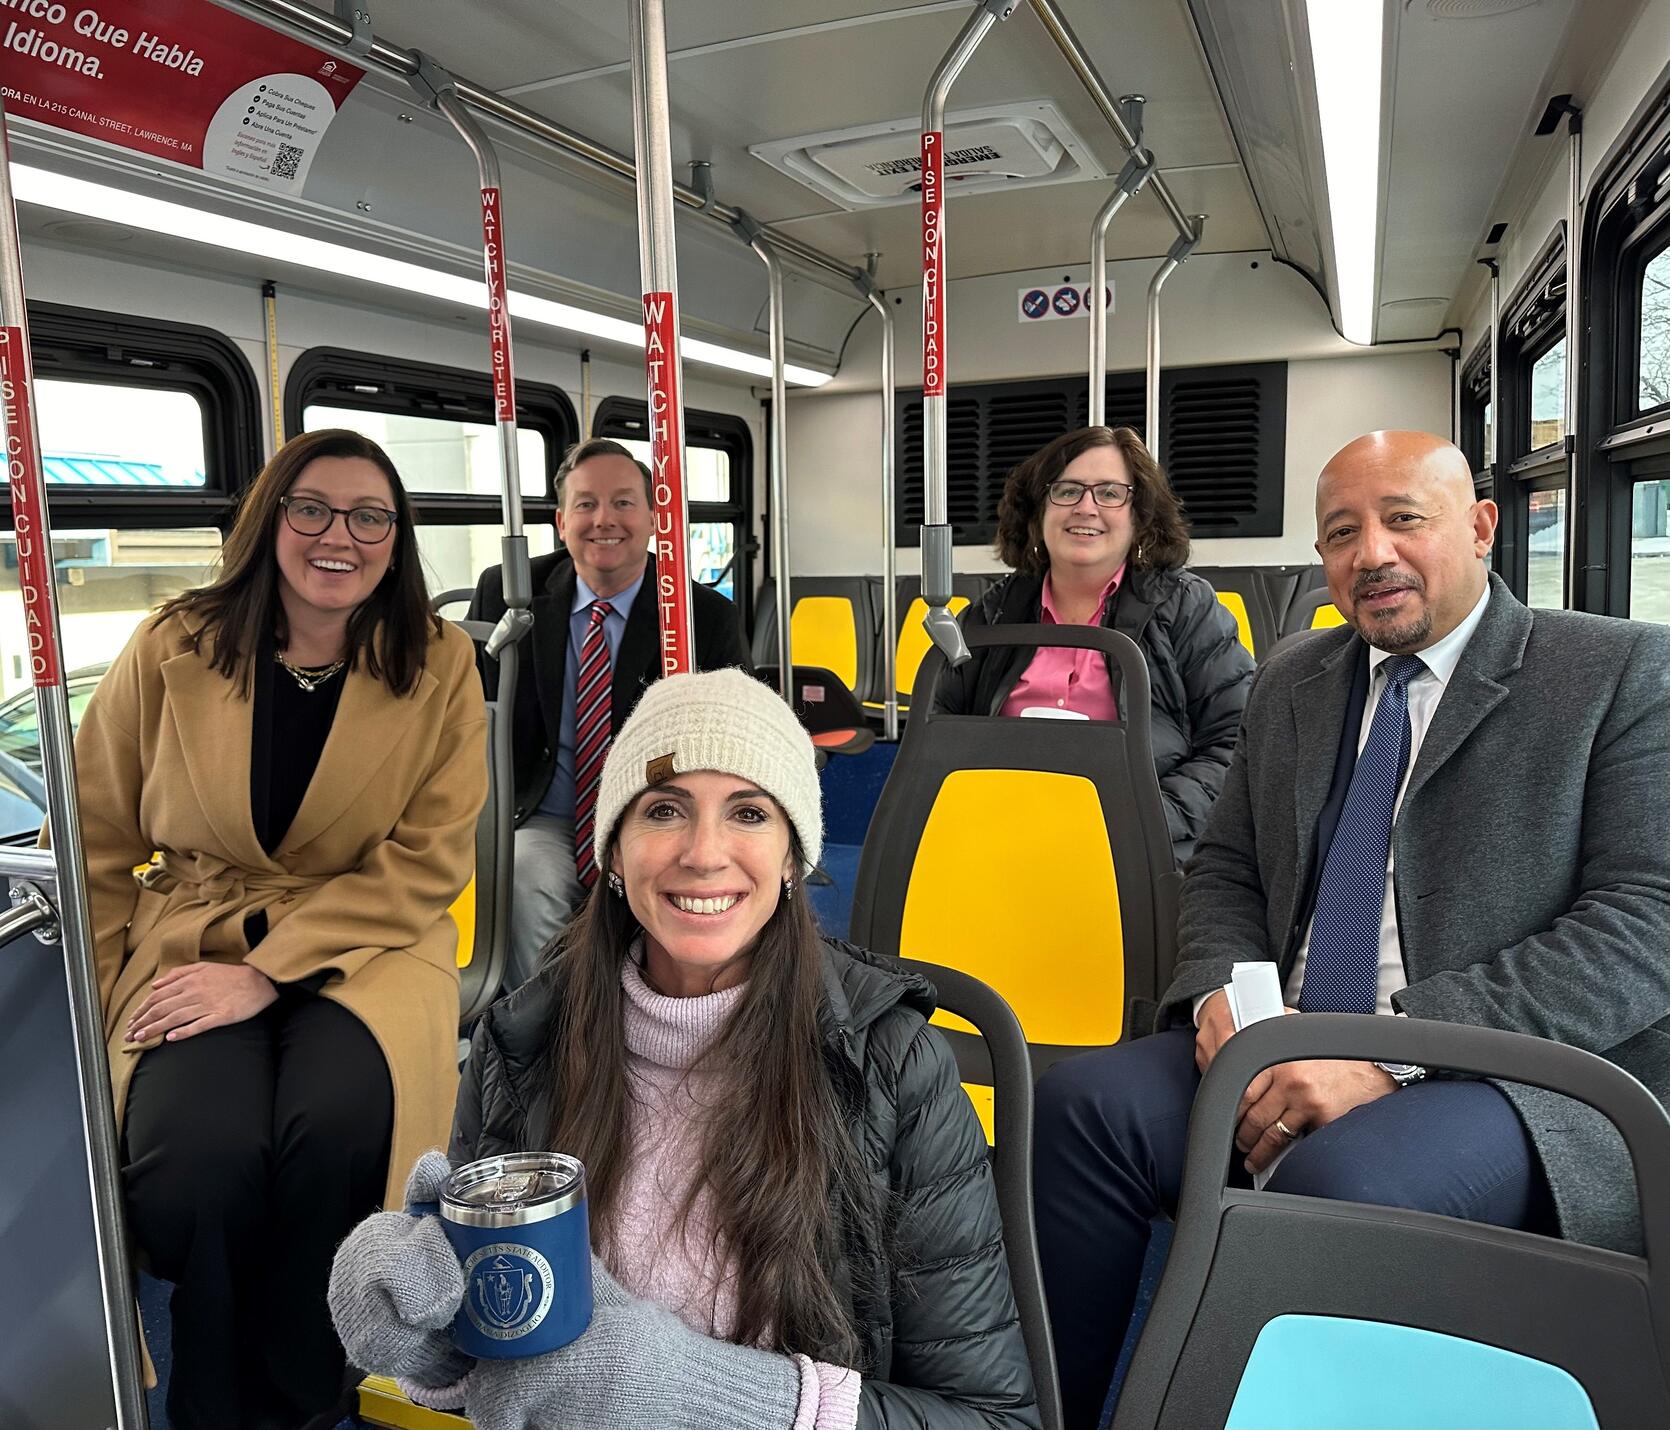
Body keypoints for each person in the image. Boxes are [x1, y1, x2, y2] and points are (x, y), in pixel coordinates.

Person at [1030, 429, 1670, 1428]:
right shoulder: (1294, 677)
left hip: (1505, 1072)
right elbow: (1227, 867)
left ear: (1480, 525)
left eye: (1402, 519)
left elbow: (1645, 921)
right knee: (1077, 1107)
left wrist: (1391, 1058)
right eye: (1339, 532)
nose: (1369, 552)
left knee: (1338, 1184)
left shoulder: (1614, 672)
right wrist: (1214, 995)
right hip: (1277, 1031)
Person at [328, 667, 1041, 1430]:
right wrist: (433, 1335)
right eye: (665, 810)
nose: (704, 853)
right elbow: (507, 1351)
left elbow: (989, 1418)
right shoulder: (523, 1044)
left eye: (748, 812)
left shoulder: (894, 1069)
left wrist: (712, 1394)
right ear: (614, 851)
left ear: (794, 857)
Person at [67, 428, 487, 1430]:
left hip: (371, 937)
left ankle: (304, 1394)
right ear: (269, 521)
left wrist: (265, 973)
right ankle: (214, 1398)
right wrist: (88, 996)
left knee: (333, 1129)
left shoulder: (438, 662)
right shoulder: (172, 645)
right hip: (193, 926)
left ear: (397, 536)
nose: (338, 534)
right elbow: (98, 835)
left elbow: (425, 861)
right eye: (313, 508)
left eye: (369, 515)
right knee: (192, 1161)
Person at [469, 437, 750, 986]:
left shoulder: (700, 616)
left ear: (653, 519)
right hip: (544, 813)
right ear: (560, 521)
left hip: (653, 810)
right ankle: (549, 1025)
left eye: (623, 503)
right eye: (586, 504)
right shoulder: (509, 594)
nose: (604, 520)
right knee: (524, 875)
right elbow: (473, 712)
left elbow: (731, 738)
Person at [934, 425, 1254, 862]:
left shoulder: (1186, 607)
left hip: (1139, 845)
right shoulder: (994, 613)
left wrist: (1139, 818)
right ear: (1037, 510)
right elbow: (938, 729)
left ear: (1139, 515)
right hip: (1007, 836)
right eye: (1066, 491)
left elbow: (1235, 742)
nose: (1086, 508)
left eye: (1109, 493)